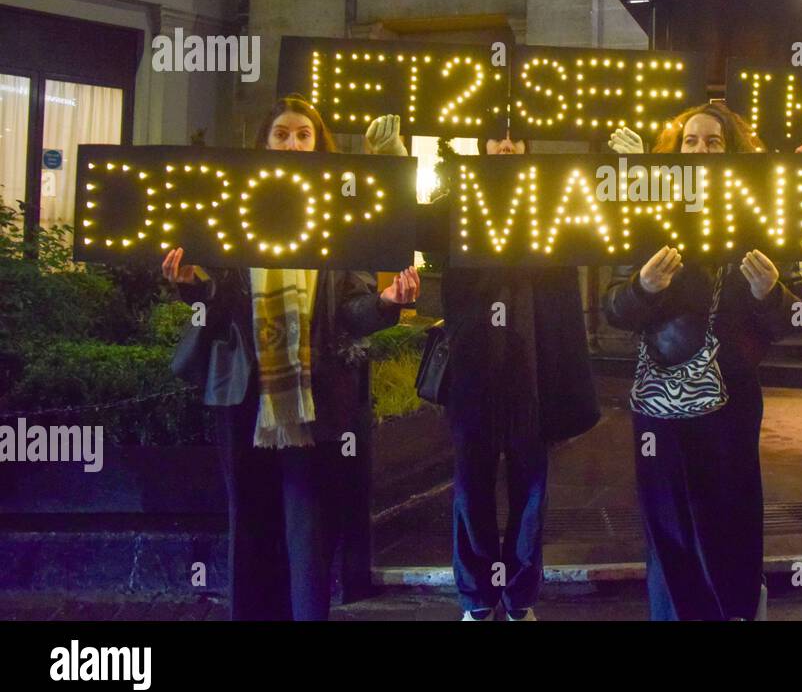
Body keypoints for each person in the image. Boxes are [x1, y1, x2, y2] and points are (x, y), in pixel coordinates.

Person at [162, 96, 420, 620]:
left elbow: (350, 311)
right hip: (244, 392)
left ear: (319, 145)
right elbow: (222, 303)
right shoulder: (235, 205)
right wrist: (193, 287)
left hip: (316, 397)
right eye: (281, 134)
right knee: (250, 520)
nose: (292, 143)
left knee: (309, 527)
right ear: (263, 144)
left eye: (303, 134)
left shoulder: (338, 214)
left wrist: (387, 304)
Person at [603, 102, 802, 621]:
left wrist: (771, 294)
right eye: (690, 141)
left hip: (732, 395)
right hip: (659, 398)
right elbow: (612, 308)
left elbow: (792, 317)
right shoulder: (646, 213)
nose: (700, 150)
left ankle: (735, 609)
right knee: (667, 520)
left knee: (731, 511)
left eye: (713, 142)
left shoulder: (761, 214)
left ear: (733, 151)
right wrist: (641, 288)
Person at [439, 133, 601, 621]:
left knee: (531, 494)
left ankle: (520, 596)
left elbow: (603, 226)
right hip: (476, 376)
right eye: (496, 139)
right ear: (483, 149)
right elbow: (410, 229)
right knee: (471, 490)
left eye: (515, 139)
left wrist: (625, 168)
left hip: (533, 378)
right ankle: (478, 595)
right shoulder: (457, 206)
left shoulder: (553, 206)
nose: (505, 147)